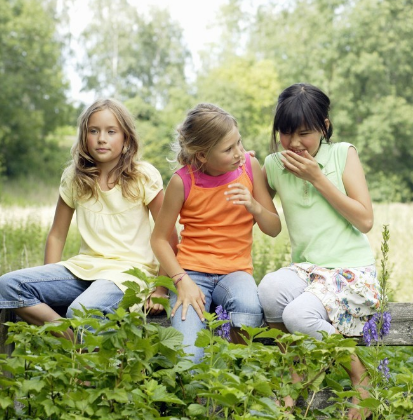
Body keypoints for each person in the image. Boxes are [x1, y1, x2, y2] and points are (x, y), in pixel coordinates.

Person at [258, 83, 382, 420]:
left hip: (350, 273)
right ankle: (296, 371)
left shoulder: (342, 154)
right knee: (267, 290)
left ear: (324, 127)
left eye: (305, 133)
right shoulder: (273, 165)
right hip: (307, 271)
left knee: (298, 316)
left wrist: (318, 178)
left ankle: (361, 377)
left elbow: (365, 219)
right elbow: (267, 221)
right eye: (285, 133)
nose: (295, 143)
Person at [0, 98, 167, 335]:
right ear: (84, 137)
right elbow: (57, 236)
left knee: (81, 311)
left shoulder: (143, 176)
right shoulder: (73, 177)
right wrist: (50, 281)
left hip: (128, 274)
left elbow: (168, 234)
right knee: (8, 285)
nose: (101, 138)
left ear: (126, 138)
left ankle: (78, 357)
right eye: (94, 131)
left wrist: (161, 289)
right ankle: (69, 343)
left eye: (111, 131)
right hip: (83, 269)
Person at [151, 103, 281, 363]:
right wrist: (180, 281)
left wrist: (254, 206)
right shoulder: (182, 181)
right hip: (191, 274)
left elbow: (274, 228)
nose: (238, 153)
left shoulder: (248, 166)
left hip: (235, 273)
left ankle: (233, 375)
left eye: (239, 143)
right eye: (228, 149)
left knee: (247, 309)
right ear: (202, 155)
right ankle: (198, 387)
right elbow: (159, 239)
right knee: (187, 359)